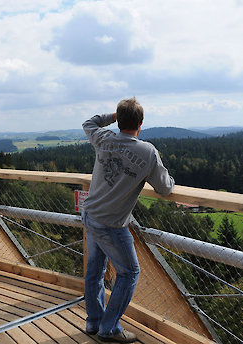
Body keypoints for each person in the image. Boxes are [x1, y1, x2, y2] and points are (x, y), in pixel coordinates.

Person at [82, 97, 174, 343]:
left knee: (95, 270)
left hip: (90, 215)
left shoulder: (104, 139)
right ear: (141, 124)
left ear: (118, 120)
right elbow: (165, 188)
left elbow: (89, 122)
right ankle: (109, 329)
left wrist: (113, 116)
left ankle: (93, 322)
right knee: (130, 272)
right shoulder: (147, 151)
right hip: (112, 224)